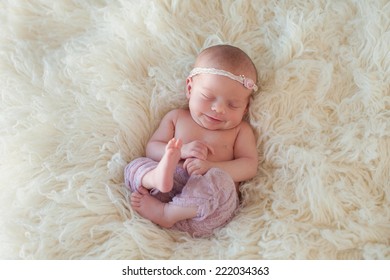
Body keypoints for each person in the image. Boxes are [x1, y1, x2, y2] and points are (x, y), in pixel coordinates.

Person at [124, 44, 258, 237]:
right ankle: (154, 179)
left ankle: (168, 213)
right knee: (135, 165)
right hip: (160, 192)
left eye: (233, 104)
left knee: (222, 182)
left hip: (203, 213)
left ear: (245, 108)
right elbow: (152, 148)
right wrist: (181, 151)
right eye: (207, 96)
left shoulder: (240, 131)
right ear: (189, 88)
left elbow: (249, 166)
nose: (219, 109)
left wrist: (210, 166)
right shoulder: (176, 117)